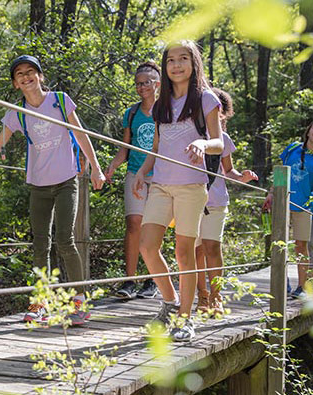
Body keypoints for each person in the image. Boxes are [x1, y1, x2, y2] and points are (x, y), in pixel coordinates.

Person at [0, 55, 105, 324]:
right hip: (38, 184)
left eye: (31, 72)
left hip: (66, 181)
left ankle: (79, 301)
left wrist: (96, 168)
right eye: (20, 74)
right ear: (15, 84)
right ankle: (41, 303)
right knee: (40, 244)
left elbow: (80, 134)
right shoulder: (16, 112)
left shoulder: (60, 101)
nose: (26, 76)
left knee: (65, 240)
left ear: (40, 76)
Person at [133, 41, 224, 341]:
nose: (176, 65)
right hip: (161, 184)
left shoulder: (206, 99)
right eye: (170, 60)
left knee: (185, 253)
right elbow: (156, 147)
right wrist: (142, 172)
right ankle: (170, 301)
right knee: (147, 246)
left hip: (191, 186)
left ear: (193, 63)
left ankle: (185, 319)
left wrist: (202, 144)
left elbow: (219, 142)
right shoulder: (161, 103)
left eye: (183, 59)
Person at [194, 88, 258, 315]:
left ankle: (216, 295)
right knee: (196, 251)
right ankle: (201, 296)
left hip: (216, 200)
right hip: (191, 200)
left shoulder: (224, 140)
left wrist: (242, 177)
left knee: (212, 247)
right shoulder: (188, 133)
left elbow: (228, 170)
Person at [104, 61, 161, 300]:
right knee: (134, 224)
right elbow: (125, 148)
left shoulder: (167, 111)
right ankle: (129, 280)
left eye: (146, 82)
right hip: (135, 173)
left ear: (157, 84)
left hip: (161, 176)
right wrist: (112, 166)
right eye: (138, 84)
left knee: (154, 227)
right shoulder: (132, 113)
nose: (141, 87)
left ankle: (152, 280)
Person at [263, 119, 313, 298]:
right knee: (279, 243)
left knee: (301, 245)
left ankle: (302, 287)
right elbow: (281, 172)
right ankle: (281, 282)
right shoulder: (293, 148)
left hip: (304, 206)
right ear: (308, 130)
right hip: (283, 203)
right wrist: (272, 193)